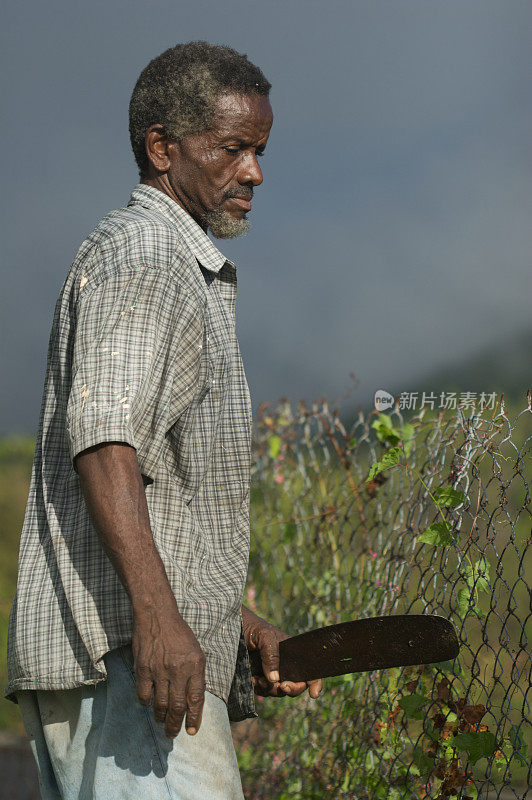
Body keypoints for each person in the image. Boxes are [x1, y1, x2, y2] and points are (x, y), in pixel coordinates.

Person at [5, 42, 322, 800]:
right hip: (127, 666)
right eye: (235, 149)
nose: (255, 172)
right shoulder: (149, 255)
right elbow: (106, 441)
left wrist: (237, 627)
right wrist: (160, 621)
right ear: (161, 147)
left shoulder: (169, 261)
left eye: (261, 151)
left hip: (128, 661)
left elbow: (158, 492)